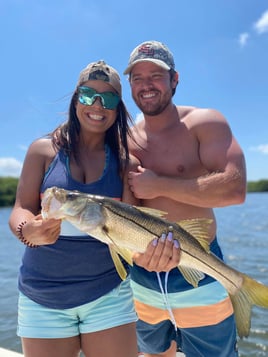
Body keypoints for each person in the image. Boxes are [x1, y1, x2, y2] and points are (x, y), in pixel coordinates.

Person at [9, 60, 144, 357]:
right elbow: (21, 208)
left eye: (108, 98)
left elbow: (131, 236)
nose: (97, 104)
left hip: (109, 293)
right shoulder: (42, 151)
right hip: (41, 295)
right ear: (75, 99)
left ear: (118, 107)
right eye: (88, 95)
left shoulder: (126, 165)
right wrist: (27, 229)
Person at [124, 41, 247, 357]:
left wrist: (159, 185)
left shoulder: (204, 122)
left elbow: (234, 188)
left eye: (156, 75)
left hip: (200, 262)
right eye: (137, 78)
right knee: (153, 352)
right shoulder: (127, 140)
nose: (146, 85)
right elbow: (125, 209)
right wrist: (136, 256)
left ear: (175, 79)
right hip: (143, 269)